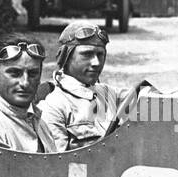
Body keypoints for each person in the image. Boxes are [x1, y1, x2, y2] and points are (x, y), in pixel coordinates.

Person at [37, 23, 128, 152]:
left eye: (100, 54)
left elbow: (150, 100)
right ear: (66, 57)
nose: (96, 63)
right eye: (87, 54)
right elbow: (56, 165)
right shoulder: (55, 106)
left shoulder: (108, 93)